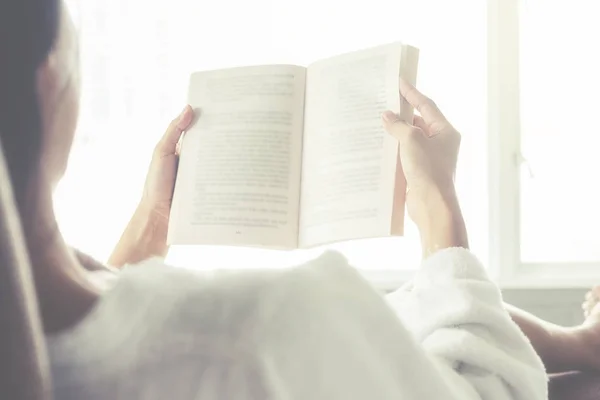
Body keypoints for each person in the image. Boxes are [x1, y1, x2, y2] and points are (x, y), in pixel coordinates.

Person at [0, 0, 562, 399]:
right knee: (419, 310)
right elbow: (492, 388)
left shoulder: (27, 342)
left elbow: (87, 331)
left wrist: (152, 224)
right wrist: (438, 206)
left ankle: (580, 343)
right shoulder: (259, 328)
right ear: (48, 81)